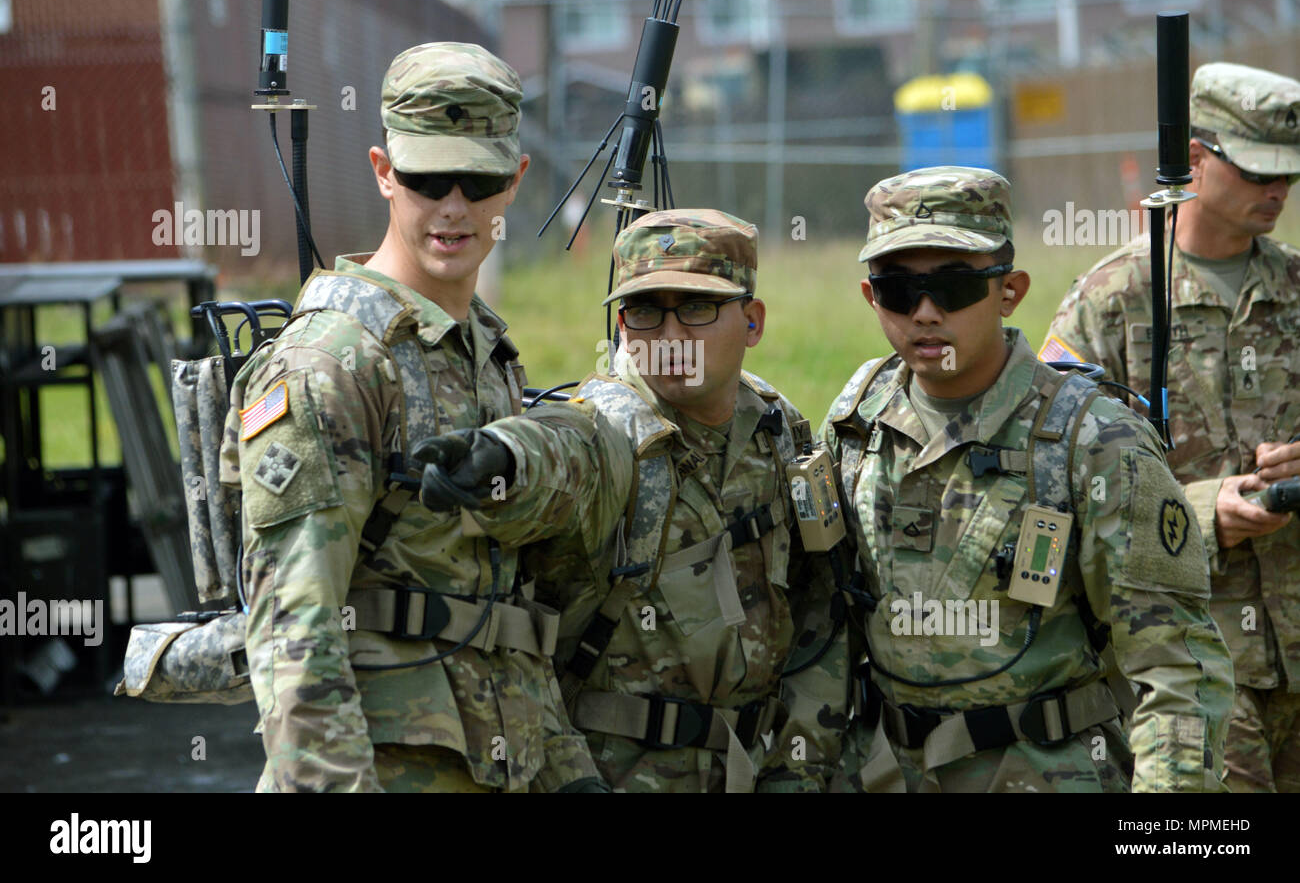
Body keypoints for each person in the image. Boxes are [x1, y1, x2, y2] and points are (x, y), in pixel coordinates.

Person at [218, 42, 601, 792]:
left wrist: (564, 766)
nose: (454, 206)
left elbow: (499, 604)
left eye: (479, 179)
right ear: (383, 172)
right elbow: (295, 634)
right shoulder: (332, 363)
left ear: (516, 181)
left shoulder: (481, 351)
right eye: (427, 178)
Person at [827, 166, 1233, 792]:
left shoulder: (1094, 440)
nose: (926, 313)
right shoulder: (857, 419)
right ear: (869, 296)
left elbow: (1177, 668)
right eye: (898, 290)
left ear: (1009, 290)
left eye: (955, 286)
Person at [414, 209, 847, 792]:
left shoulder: (778, 430)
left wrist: (798, 767)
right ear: (621, 326)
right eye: (645, 312)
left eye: (696, 307)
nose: (670, 337)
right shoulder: (612, 432)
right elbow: (562, 447)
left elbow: (822, 613)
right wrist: (499, 456)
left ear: (752, 321)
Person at [1045, 62, 1300, 792]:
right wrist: (1198, 510)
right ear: (1195, 159)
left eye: (1290, 176)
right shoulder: (1112, 303)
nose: (1276, 192)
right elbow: (1051, 489)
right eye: (1258, 171)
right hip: (1191, 665)